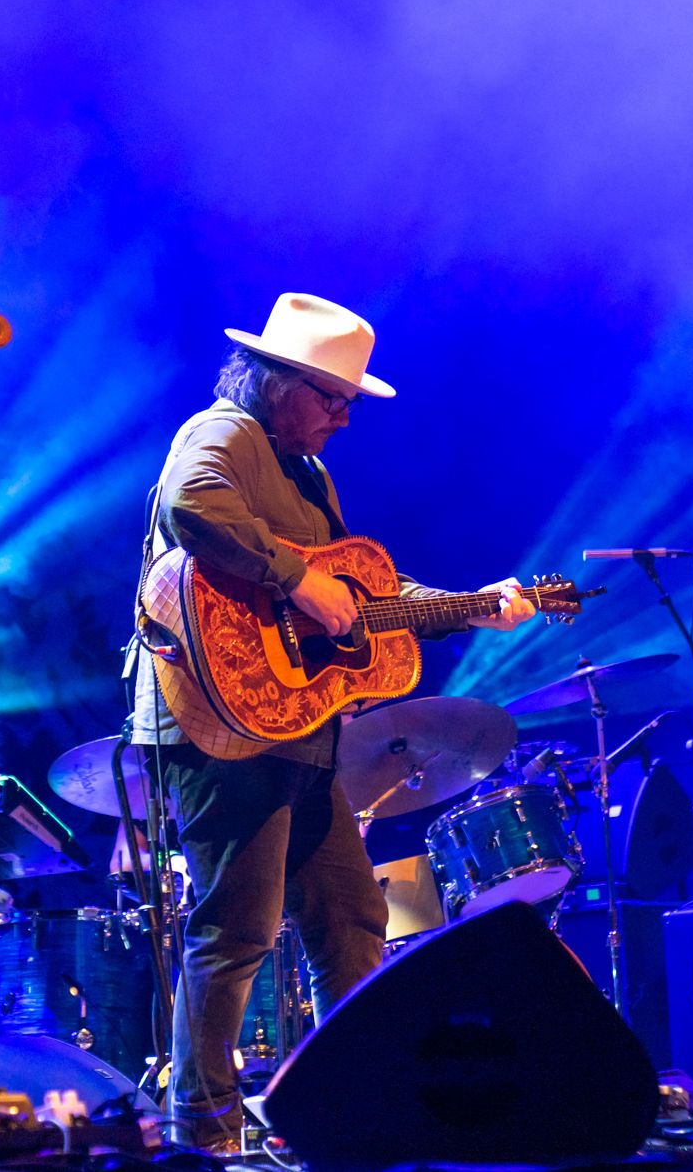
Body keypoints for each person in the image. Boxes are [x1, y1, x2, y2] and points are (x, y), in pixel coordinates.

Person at [129, 293, 536, 1152]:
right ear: (279, 381)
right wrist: (295, 578)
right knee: (237, 929)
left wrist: (470, 605)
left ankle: (349, 1113)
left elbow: (366, 598)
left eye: (350, 402)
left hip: (295, 729)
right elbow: (192, 505)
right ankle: (201, 1133)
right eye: (333, 398)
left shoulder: (309, 473)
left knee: (352, 918)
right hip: (220, 720)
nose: (344, 418)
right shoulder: (225, 431)